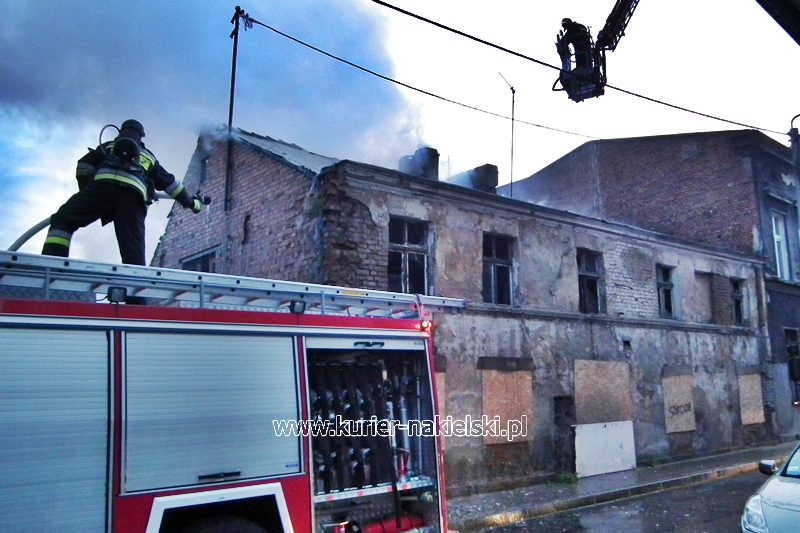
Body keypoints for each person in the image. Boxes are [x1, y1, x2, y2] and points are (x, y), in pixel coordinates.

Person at [42, 119, 203, 266]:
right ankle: (136, 296)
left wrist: (87, 191)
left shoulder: (107, 147)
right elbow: (172, 185)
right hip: (133, 201)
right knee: (133, 252)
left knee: (62, 220)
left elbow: (83, 166)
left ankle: (52, 265)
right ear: (142, 137)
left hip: (101, 191)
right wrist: (193, 204)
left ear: (120, 132)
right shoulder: (148, 157)